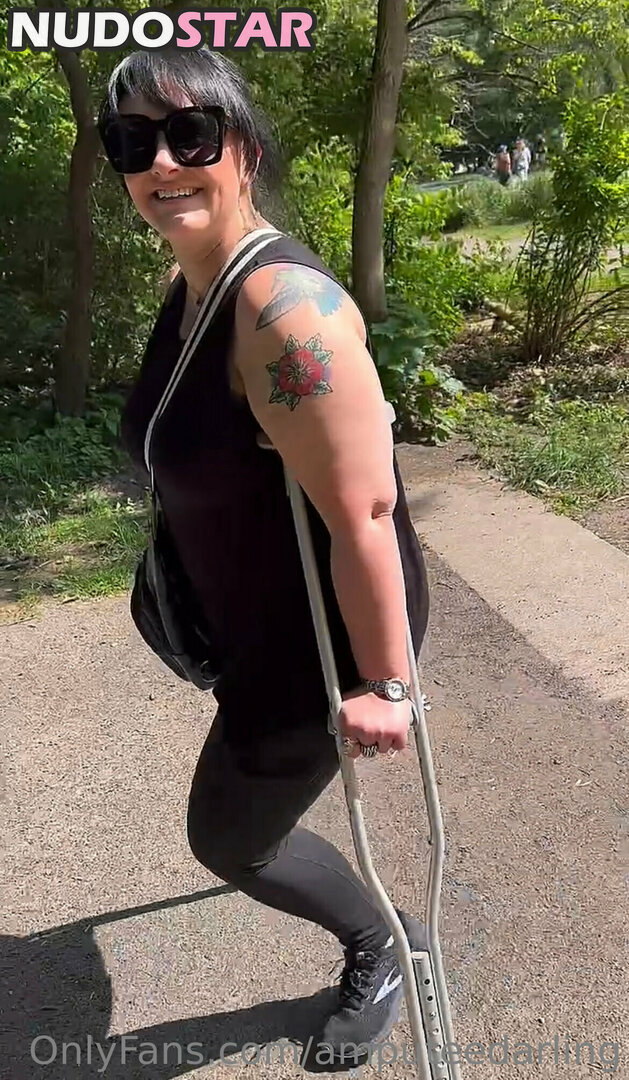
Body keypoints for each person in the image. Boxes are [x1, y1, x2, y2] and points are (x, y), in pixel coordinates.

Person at [98, 48, 431, 1061]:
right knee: (242, 822)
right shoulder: (190, 282)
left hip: (317, 648)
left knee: (231, 838)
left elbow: (365, 513)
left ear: (241, 148)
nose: (162, 161)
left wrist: (384, 684)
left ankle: (383, 945)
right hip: (245, 622)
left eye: (188, 134)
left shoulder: (286, 314)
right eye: (132, 142)